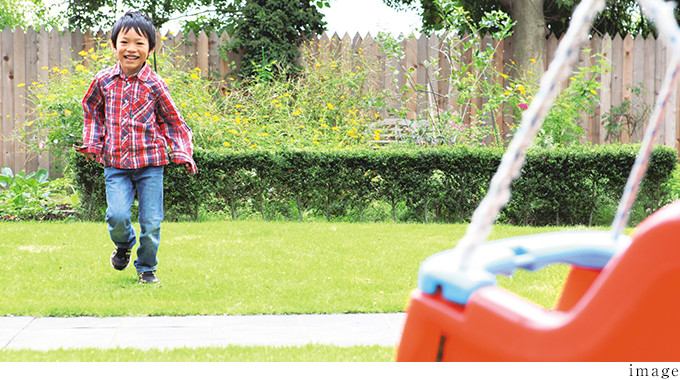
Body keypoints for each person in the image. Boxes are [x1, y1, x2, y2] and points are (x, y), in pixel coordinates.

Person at [75, 10, 197, 284]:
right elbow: (91, 110)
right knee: (117, 215)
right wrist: (93, 142)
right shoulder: (103, 80)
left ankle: (147, 268)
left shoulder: (155, 84)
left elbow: (172, 120)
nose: (132, 49)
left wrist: (182, 152)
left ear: (151, 48)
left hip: (151, 165)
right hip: (116, 164)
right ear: (114, 45)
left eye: (140, 43)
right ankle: (124, 244)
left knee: (152, 223)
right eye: (125, 42)